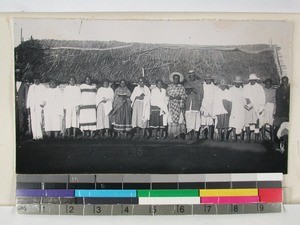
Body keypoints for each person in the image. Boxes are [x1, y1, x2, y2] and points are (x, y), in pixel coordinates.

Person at [243, 73, 266, 142]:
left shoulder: (260, 87)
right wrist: (248, 104)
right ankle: (248, 138)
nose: (253, 81)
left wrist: (261, 108)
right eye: (251, 80)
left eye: (254, 80)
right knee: (247, 122)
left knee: (256, 123)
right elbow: (244, 97)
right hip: (248, 107)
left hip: (257, 107)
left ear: (256, 80)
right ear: (249, 80)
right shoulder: (246, 87)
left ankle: (256, 138)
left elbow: (263, 98)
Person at [166, 72, 187, 139]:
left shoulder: (181, 87)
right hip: (171, 106)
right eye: (174, 79)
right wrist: (170, 98)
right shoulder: (169, 87)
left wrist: (180, 97)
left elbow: (184, 96)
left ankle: (179, 135)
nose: (176, 80)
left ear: (179, 80)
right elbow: (166, 95)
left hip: (179, 106)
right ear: (173, 79)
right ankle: (171, 135)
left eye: (177, 79)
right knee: (171, 119)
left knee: (180, 120)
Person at [184, 70, 203, 140]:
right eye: (190, 76)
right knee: (189, 121)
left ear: (195, 76)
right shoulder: (186, 83)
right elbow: (185, 93)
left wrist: (195, 91)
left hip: (196, 105)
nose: (191, 77)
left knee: (196, 122)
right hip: (188, 105)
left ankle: (195, 137)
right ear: (189, 76)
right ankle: (190, 137)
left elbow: (201, 94)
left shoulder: (199, 83)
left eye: (193, 76)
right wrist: (189, 91)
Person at [26, 75, 46, 140]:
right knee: (33, 120)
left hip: (39, 106)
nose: (36, 80)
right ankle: (34, 136)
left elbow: (45, 97)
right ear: (33, 80)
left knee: (39, 120)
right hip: (33, 106)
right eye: (35, 79)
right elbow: (29, 97)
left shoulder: (42, 87)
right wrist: (28, 106)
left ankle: (40, 136)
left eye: (37, 79)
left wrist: (43, 103)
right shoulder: (31, 87)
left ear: (39, 79)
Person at [228, 76, 246, 141]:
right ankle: (234, 137)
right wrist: (229, 108)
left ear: (240, 83)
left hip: (241, 109)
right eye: (236, 83)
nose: (237, 84)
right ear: (234, 83)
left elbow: (244, 100)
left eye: (239, 83)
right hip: (234, 108)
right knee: (234, 123)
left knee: (241, 122)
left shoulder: (243, 90)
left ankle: (241, 138)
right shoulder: (231, 90)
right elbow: (229, 100)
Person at [200, 74, 217, 140]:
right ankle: (204, 136)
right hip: (203, 105)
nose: (208, 80)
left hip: (211, 106)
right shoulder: (202, 86)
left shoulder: (214, 87)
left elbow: (216, 97)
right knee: (203, 122)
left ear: (211, 79)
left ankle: (210, 136)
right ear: (205, 80)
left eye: (209, 79)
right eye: (207, 79)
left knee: (210, 122)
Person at [15, 69, 29, 140]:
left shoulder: (25, 85)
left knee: (22, 119)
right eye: (16, 75)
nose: (18, 76)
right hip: (14, 105)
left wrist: (25, 106)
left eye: (19, 75)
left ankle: (21, 134)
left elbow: (26, 96)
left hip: (21, 105)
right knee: (15, 119)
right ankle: (16, 134)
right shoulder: (12, 84)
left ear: (21, 76)